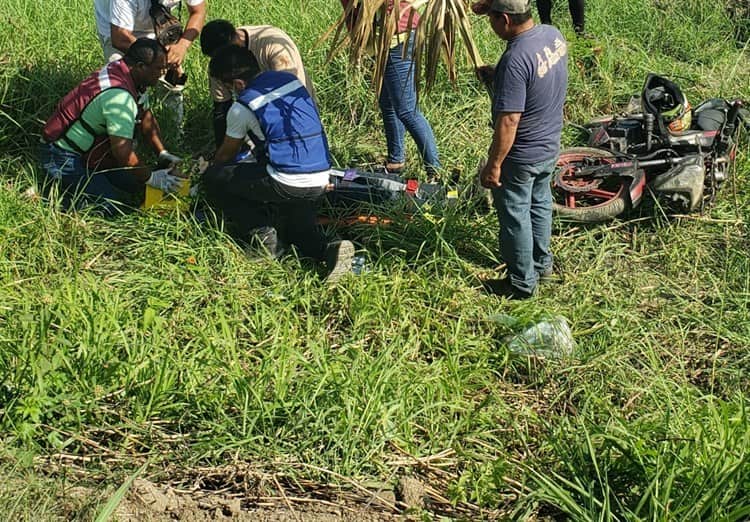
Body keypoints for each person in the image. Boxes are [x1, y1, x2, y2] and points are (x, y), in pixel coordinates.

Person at [204, 45, 355, 282]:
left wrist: (208, 164)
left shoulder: (241, 107)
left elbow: (226, 155)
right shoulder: (289, 80)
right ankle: (330, 250)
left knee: (214, 178)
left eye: (227, 86)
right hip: (321, 176)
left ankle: (264, 238)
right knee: (297, 232)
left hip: (287, 180)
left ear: (238, 84)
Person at [474, 0, 568, 299]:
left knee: (515, 215)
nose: (490, 24)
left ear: (504, 19)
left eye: (491, 18)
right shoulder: (552, 35)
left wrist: (494, 164)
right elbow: (537, 80)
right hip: (549, 145)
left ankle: (522, 284)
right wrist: (496, 77)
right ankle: (543, 266)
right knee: (539, 204)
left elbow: (509, 120)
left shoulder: (515, 58)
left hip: (521, 154)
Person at [40, 38, 185, 215]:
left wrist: (163, 154)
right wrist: (152, 178)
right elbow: (122, 153)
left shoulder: (123, 70)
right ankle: (51, 202)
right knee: (110, 207)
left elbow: (146, 117)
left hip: (89, 151)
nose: (161, 74)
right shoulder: (119, 97)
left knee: (135, 185)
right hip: (63, 156)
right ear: (140, 66)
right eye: (158, 69)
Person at [340, 0, 441, 175]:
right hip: (381, 40)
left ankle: (436, 172)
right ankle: (396, 161)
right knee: (387, 103)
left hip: (397, 38)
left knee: (407, 110)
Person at [199, 19, 315, 148]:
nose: (221, 60)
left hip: (293, 111)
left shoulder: (273, 44)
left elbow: (291, 94)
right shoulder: (218, 63)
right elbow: (221, 110)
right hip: (255, 115)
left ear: (235, 38)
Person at [93, 0, 207, 129]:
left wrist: (182, 46)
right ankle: (127, 136)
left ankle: (174, 133)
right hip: (116, 27)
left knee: (172, 83)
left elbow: (198, 11)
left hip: (158, 25)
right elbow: (120, 38)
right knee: (123, 86)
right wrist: (161, 60)